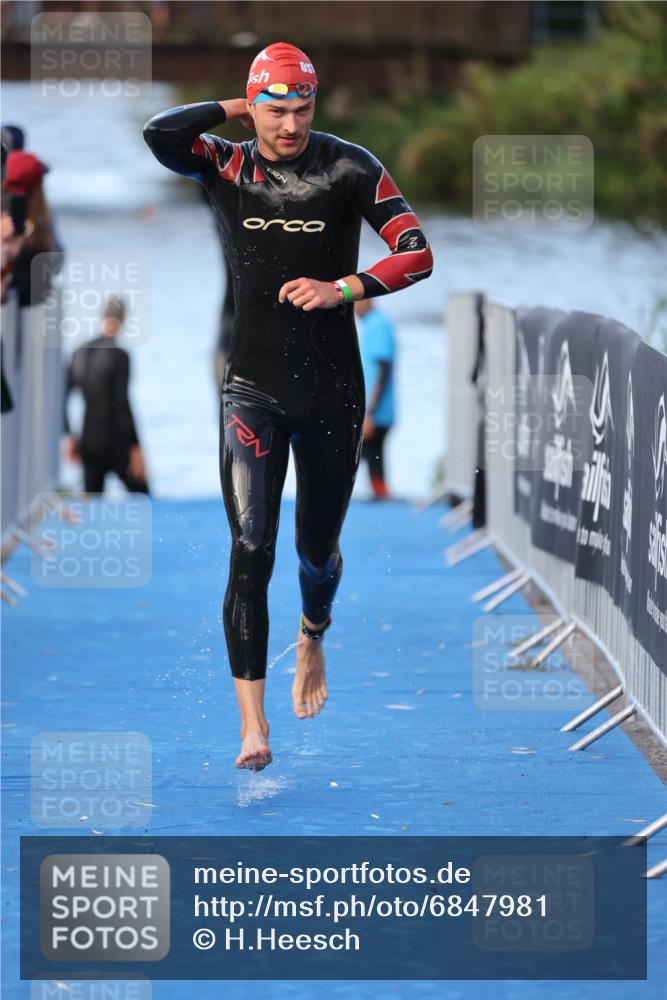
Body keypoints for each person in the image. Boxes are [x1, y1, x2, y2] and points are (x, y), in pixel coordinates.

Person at [143, 42, 433, 771]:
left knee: (315, 553)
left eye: (303, 108)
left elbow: (416, 251)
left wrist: (344, 288)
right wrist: (242, 107)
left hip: (333, 391)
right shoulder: (227, 164)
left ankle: (312, 635)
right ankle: (252, 727)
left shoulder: (348, 166)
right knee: (249, 548)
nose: (291, 125)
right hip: (252, 390)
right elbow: (160, 134)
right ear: (254, 107)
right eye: (277, 109)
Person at [63, 296, 150, 495]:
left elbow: (63, 398)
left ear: (102, 317)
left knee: (93, 505)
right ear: (124, 320)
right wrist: (136, 448)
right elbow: (121, 404)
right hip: (116, 443)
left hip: (88, 441)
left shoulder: (80, 352)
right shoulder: (120, 356)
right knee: (144, 497)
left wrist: (70, 436)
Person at [354, 298, 396, 499]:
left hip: (377, 410)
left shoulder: (378, 324)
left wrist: (370, 413)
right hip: (372, 408)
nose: (352, 308)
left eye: (355, 302)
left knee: (367, 454)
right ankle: (380, 494)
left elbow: (384, 369)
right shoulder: (371, 323)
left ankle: (382, 496)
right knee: (371, 456)